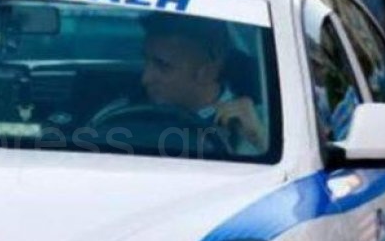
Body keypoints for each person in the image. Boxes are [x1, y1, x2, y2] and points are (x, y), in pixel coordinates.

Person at [89, 14, 269, 154]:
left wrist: (260, 139)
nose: (145, 78)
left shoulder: (262, 123)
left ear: (207, 72)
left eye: (162, 66)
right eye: (146, 61)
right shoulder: (119, 112)